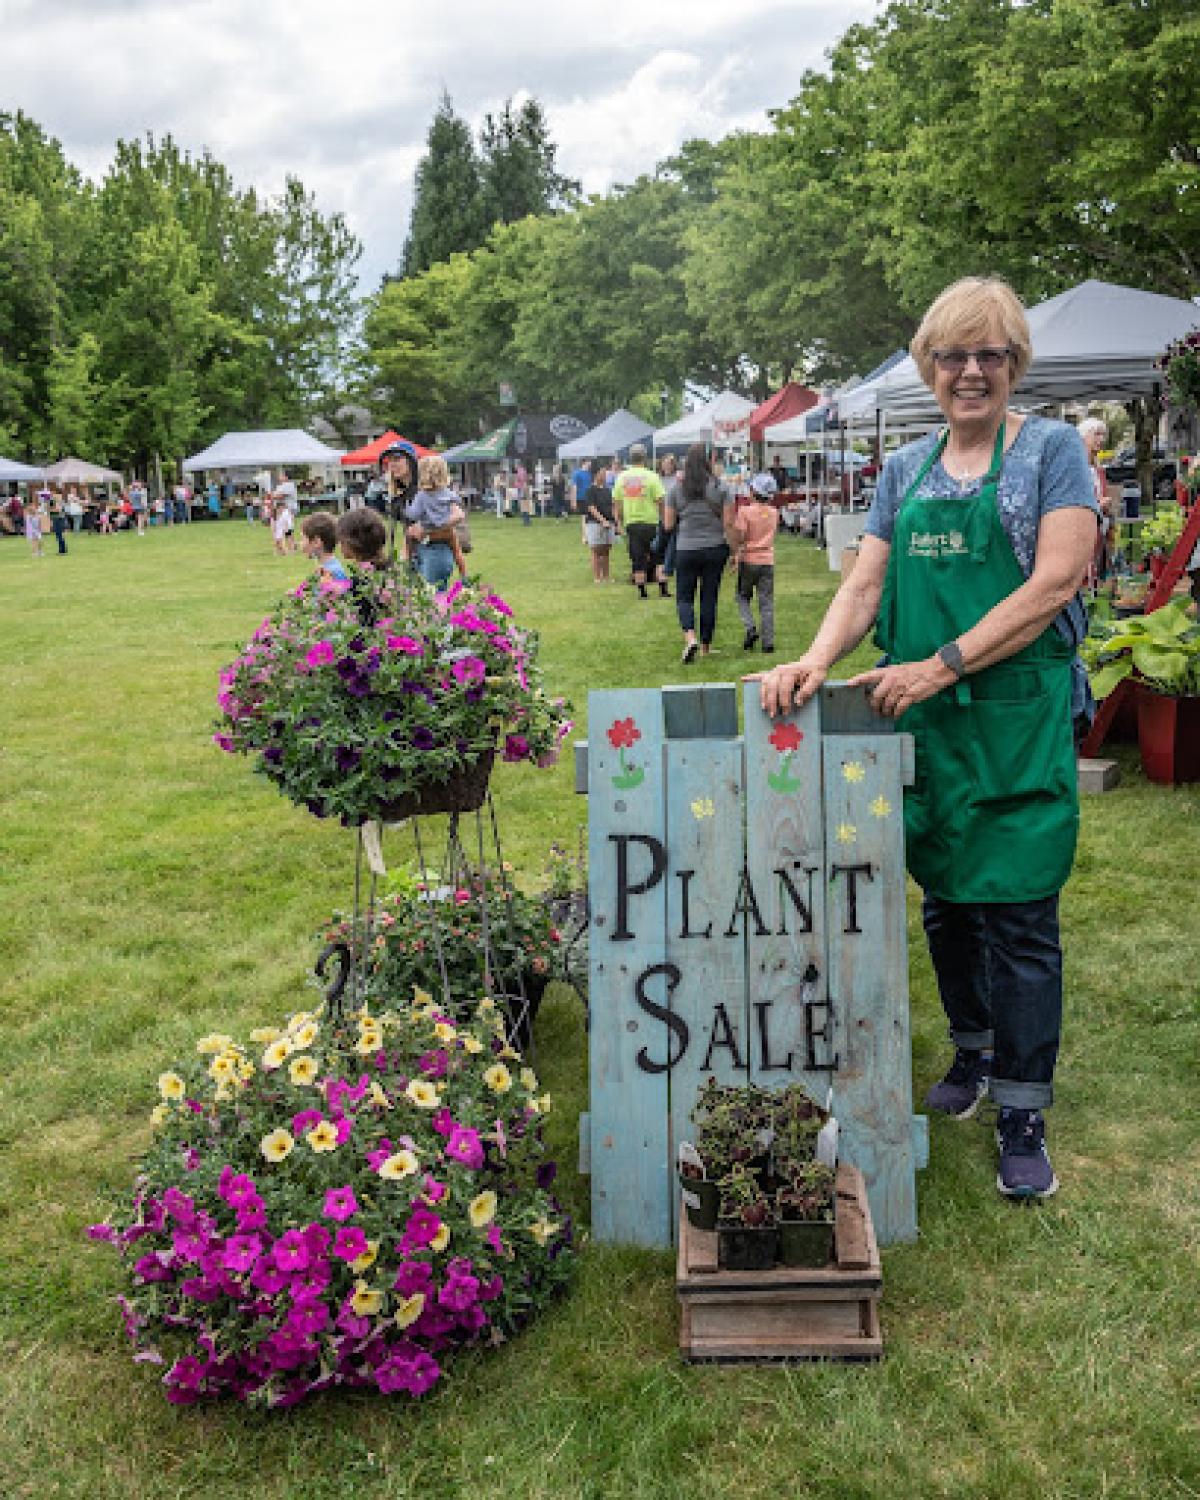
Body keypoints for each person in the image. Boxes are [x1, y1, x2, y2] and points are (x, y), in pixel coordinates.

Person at [758, 275, 1099, 1200]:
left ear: (1015, 364)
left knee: (1023, 914)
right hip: (925, 727)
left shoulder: (1052, 453)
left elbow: (1055, 582)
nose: (972, 372)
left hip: (1015, 719)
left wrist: (941, 664)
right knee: (946, 897)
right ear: (928, 367)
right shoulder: (905, 471)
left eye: (990, 354)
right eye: (953, 355)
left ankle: (1023, 1108)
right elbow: (864, 588)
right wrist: (817, 662)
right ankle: (975, 1051)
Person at [664, 443, 736, 663]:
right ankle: (705, 646)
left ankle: (690, 638)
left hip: (686, 548)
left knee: (684, 597)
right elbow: (729, 523)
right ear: (709, 462)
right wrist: (735, 551)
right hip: (715, 548)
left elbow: (667, 525)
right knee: (709, 597)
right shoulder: (721, 487)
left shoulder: (676, 489)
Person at [612, 443, 669, 599]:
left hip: (632, 523)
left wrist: (618, 523)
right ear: (645, 457)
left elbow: (616, 503)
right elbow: (661, 501)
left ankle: (643, 592)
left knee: (637, 557)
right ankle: (663, 590)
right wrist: (665, 520)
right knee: (659, 556)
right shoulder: (652, 476)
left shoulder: (622, 477)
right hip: (651, 522)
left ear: (630, 458)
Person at [734, 473, 780, 652]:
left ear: (753, 491)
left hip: (749, 558)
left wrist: (737, 552)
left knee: (742, 596)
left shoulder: (745, 511)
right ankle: (768, 642)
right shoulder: (774, 513)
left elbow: (741, 536)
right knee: (766, 601)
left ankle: (750, 626)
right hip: (767, 559)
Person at [406, 454, 466, 585]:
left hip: (428, 542)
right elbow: (458, 507)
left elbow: (413, 514)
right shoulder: (448, 494)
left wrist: (407, 508)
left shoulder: (421, 496)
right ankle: (464, 577)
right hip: (445, 539)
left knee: (431, 593)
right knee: (439, 591)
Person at [1077, 417, 1111, 588]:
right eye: (1096, 434)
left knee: (1096, 568)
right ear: (1083, 437)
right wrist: (1098, 505)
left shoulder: (1097, 468)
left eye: (1102, 435)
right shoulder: (1076, 467)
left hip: (1099, 527)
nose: (1101, 440)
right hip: (1083, 528)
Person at [583, 463, 618, 583]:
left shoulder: (608, 490)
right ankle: (597, 577)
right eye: (602, 472)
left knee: (606, 550)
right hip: (594, 523)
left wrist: (616, 522)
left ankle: (606, 576)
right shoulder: (590, 490)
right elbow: (591, 508)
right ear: (595, 474)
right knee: (596, 550)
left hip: (609, 522)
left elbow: (613, 506)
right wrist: (602, 521)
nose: (604, 475)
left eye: (605, 473)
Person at [300, 511, 348, 581]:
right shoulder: (327, 567)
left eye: (302, 538)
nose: (300, 543)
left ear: (316, 542)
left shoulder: (331, 573)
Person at [26, 488, 46, 557]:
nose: (34, 508)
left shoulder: (37, 514)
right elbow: (29, 525)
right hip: (32, 531)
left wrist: (40, 528)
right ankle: (34, 553)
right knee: (34, 541)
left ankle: (40, 551)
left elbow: (39, 521)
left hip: (38, 530)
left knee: (41, 541)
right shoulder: (29, 516)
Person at [49, 489, 69, 555]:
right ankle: (63, 549)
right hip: (57, 519)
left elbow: (58, 510)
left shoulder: (59, 501)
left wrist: (51, 509)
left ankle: (62, 550)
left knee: (59, 535)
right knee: (59, 535)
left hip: (59, 519)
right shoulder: (54, 501)